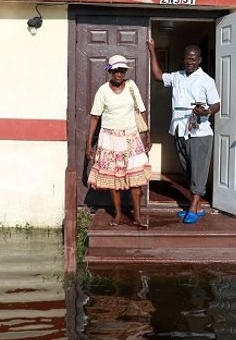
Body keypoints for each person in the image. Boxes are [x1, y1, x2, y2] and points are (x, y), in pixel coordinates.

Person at [147, 40, 220, 224]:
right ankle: (196, 206)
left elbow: (216, 104)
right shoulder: (177, 76)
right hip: (179, 128)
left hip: (199, 132)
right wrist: (152, 50)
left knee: (199, 170)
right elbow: (157, 75)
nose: (190, 61)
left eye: (194, 59)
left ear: (200, 60)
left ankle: (194, 207)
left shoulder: (206, 80)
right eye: (187, 58)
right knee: (188, 170)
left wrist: (207, 111)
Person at [87, 55, 152, 229]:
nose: (119, 74)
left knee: (135, 178)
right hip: (109, 139)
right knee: (113, 180)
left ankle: (137, 215)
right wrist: (88, 144)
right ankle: (118, 214)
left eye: (122, 70)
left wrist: (147, 135)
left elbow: (142, 109)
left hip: (131, 136)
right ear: (110, 71)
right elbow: (95, 117)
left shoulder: (131, 87)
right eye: (116, 70)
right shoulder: (103, 91)